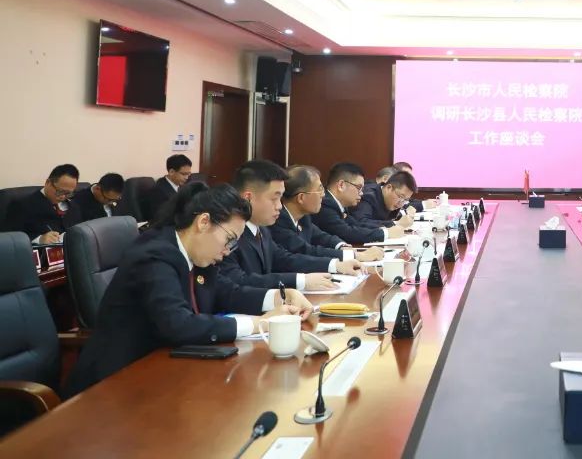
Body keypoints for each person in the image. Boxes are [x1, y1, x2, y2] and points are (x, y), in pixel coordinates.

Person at [64, 182, 313, 397]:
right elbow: (178, 324)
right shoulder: (154, 256)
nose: (228, 251)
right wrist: (260, 324)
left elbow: (228, 292)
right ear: (203, 222)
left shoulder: (198, 256)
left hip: (167, 369)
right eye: (228, 239)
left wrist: (280, 297)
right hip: (116, 383)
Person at [221, 160, 380, 290]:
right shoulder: (226, 233)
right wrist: (301, 281)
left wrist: (335, 265)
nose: (279, 206)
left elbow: (283, 258)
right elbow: (238, 281)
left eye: (281, 198)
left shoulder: (261, 227)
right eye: (274, 198)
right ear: (248, 198)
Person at [270, 165, 370, 272]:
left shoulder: (304, 217)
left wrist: (341, 246)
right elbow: (305, 250)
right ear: (301, 198)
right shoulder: (278, 221)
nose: (323, 195)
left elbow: (320, 236)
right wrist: (354, 256)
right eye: (319, 189)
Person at [312, 162, 406, 245]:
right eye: (359, 188)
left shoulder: (340, 205)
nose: (361, 193)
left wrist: (387, 228)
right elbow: (347, 233)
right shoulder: (325, 204)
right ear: (341, 185)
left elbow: (357, 224)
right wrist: (386, 233)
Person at [7, 164, 83, 242]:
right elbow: (10, 238)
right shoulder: (22, 205)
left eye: (68, 193)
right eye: (60, 191)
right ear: (48, 182)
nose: (63, 197)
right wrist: (39, 239)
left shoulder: (73, 206)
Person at [354, 171, 418, 229]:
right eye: (400, 197)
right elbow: (361, 222)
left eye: (405, 200)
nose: (401, 204)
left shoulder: (392, 200)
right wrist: (395, 223)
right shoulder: (369, 196)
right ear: (389, 187)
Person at [141, 154, 193, 223]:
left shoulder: (184, 185)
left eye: (188, 174)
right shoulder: (158, 190)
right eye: (183, 174)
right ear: (171, 172)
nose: (186, 177)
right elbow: (161, 218)